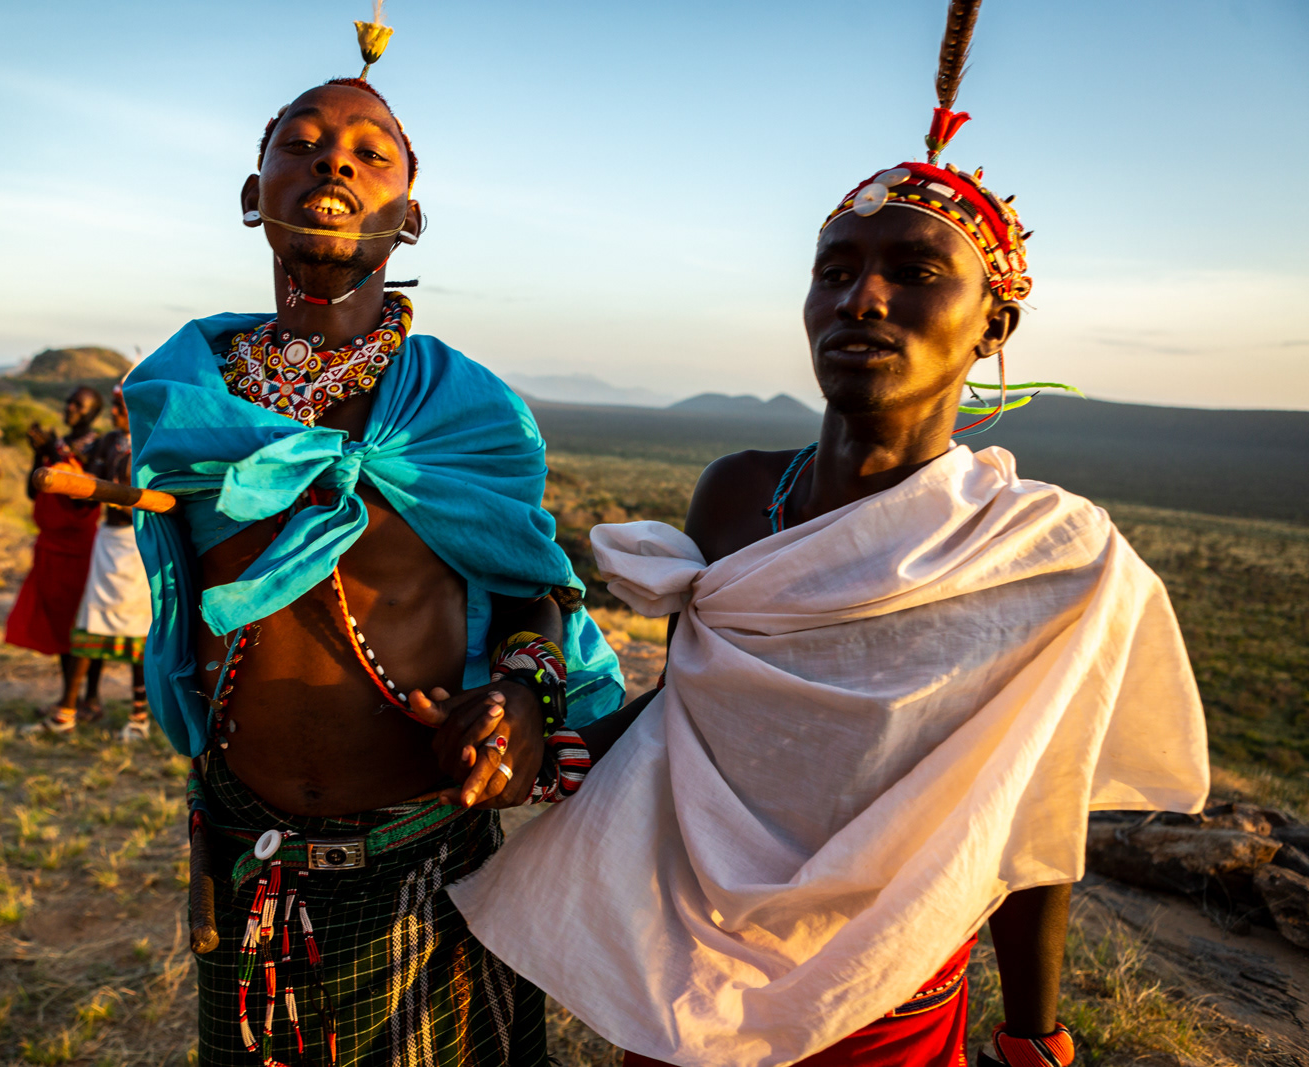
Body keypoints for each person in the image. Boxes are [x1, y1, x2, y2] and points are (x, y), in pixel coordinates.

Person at [448, 5, 1210, 1066]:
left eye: (914, 270)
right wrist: (538, 730)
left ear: (995, 322)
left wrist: (1034, 1033)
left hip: (887, 994)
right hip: (689, 972)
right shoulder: (735, 496)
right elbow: (697, 717)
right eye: (835, 268)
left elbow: (1031, 808)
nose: (863, 296)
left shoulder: (1047, 553)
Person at [122, 16, 623, 1066]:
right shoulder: (186, 394)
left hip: (418, 853)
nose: (333, 158)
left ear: (412, 213)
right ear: (253, 193)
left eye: (369, 150)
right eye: (300, 141)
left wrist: (526, 693)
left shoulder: (469, 411)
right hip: (239, 842)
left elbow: (535, 586)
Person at [26, 384, 154, 737]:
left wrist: (122, 500)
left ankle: (139, 717)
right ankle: (68, 709)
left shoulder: (154, 442)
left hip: (138, 543)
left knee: (138, 629)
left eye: (122, 408)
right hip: (106, 541)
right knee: (90, 620)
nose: (116, 414)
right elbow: (86, 497)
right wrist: (56, 465)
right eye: (114, 407)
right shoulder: (106, 443)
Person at [4, 386, 103, 717]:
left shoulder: (96, 447)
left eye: (79, 405)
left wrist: (55, 455)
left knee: (83, 622)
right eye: (69, 401)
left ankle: (86, 697)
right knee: (62, 623)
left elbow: (83, 494)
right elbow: (34, 493)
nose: (70, 407)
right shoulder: (60, 445)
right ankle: (72, 695)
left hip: (79, 546)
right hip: (50, 543)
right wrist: (39, 454)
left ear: (94, 413)